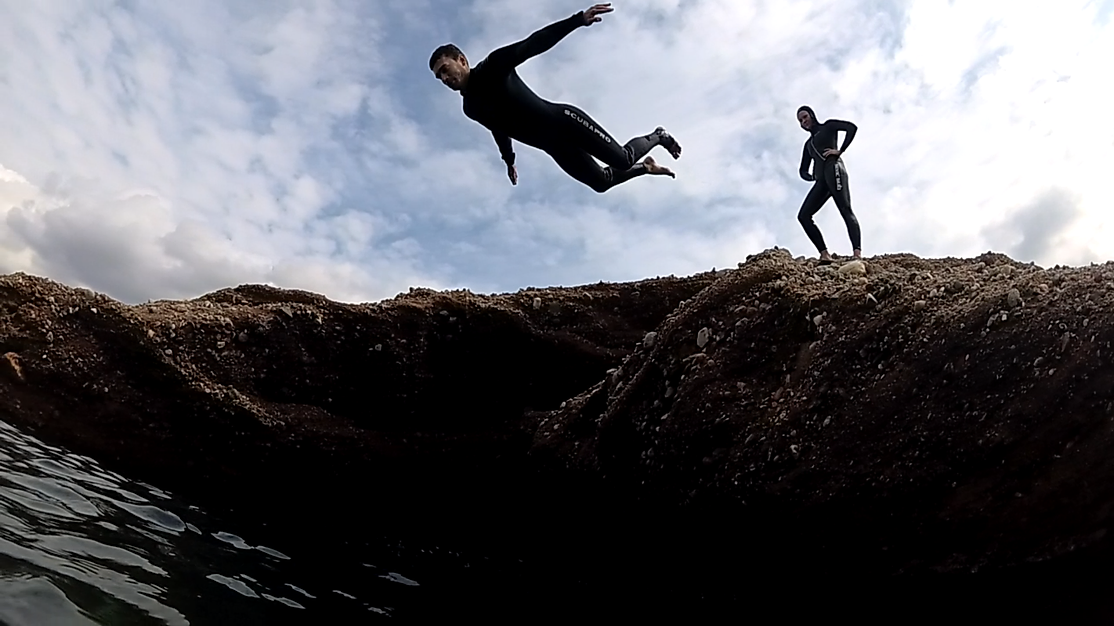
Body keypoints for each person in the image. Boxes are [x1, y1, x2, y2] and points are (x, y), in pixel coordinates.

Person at [429, 3, 682, 193]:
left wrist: (576, 20)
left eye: (445, 70)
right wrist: (509, 160)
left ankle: (659, 135)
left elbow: (533, 44)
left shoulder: (493, 66)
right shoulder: (470, 107)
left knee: (622, 160)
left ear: (461, 60)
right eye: (438, 77)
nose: (444, 78)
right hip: (555, 147)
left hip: (564, 121)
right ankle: (646, 168)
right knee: (601, 183)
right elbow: (498, 128)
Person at [795, 105, 862, 264]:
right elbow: (802, 170)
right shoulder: (808, 145)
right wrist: (811, 177)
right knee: (803, 216)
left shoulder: (829, 126)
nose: (803, 121)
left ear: (812, 115)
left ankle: (857, 254)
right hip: (821, 181)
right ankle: (825, 254)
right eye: (800, 120)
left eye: (805, 117)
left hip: (835, 169)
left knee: (845, 209)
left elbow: (851, 128)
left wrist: (840, 151)